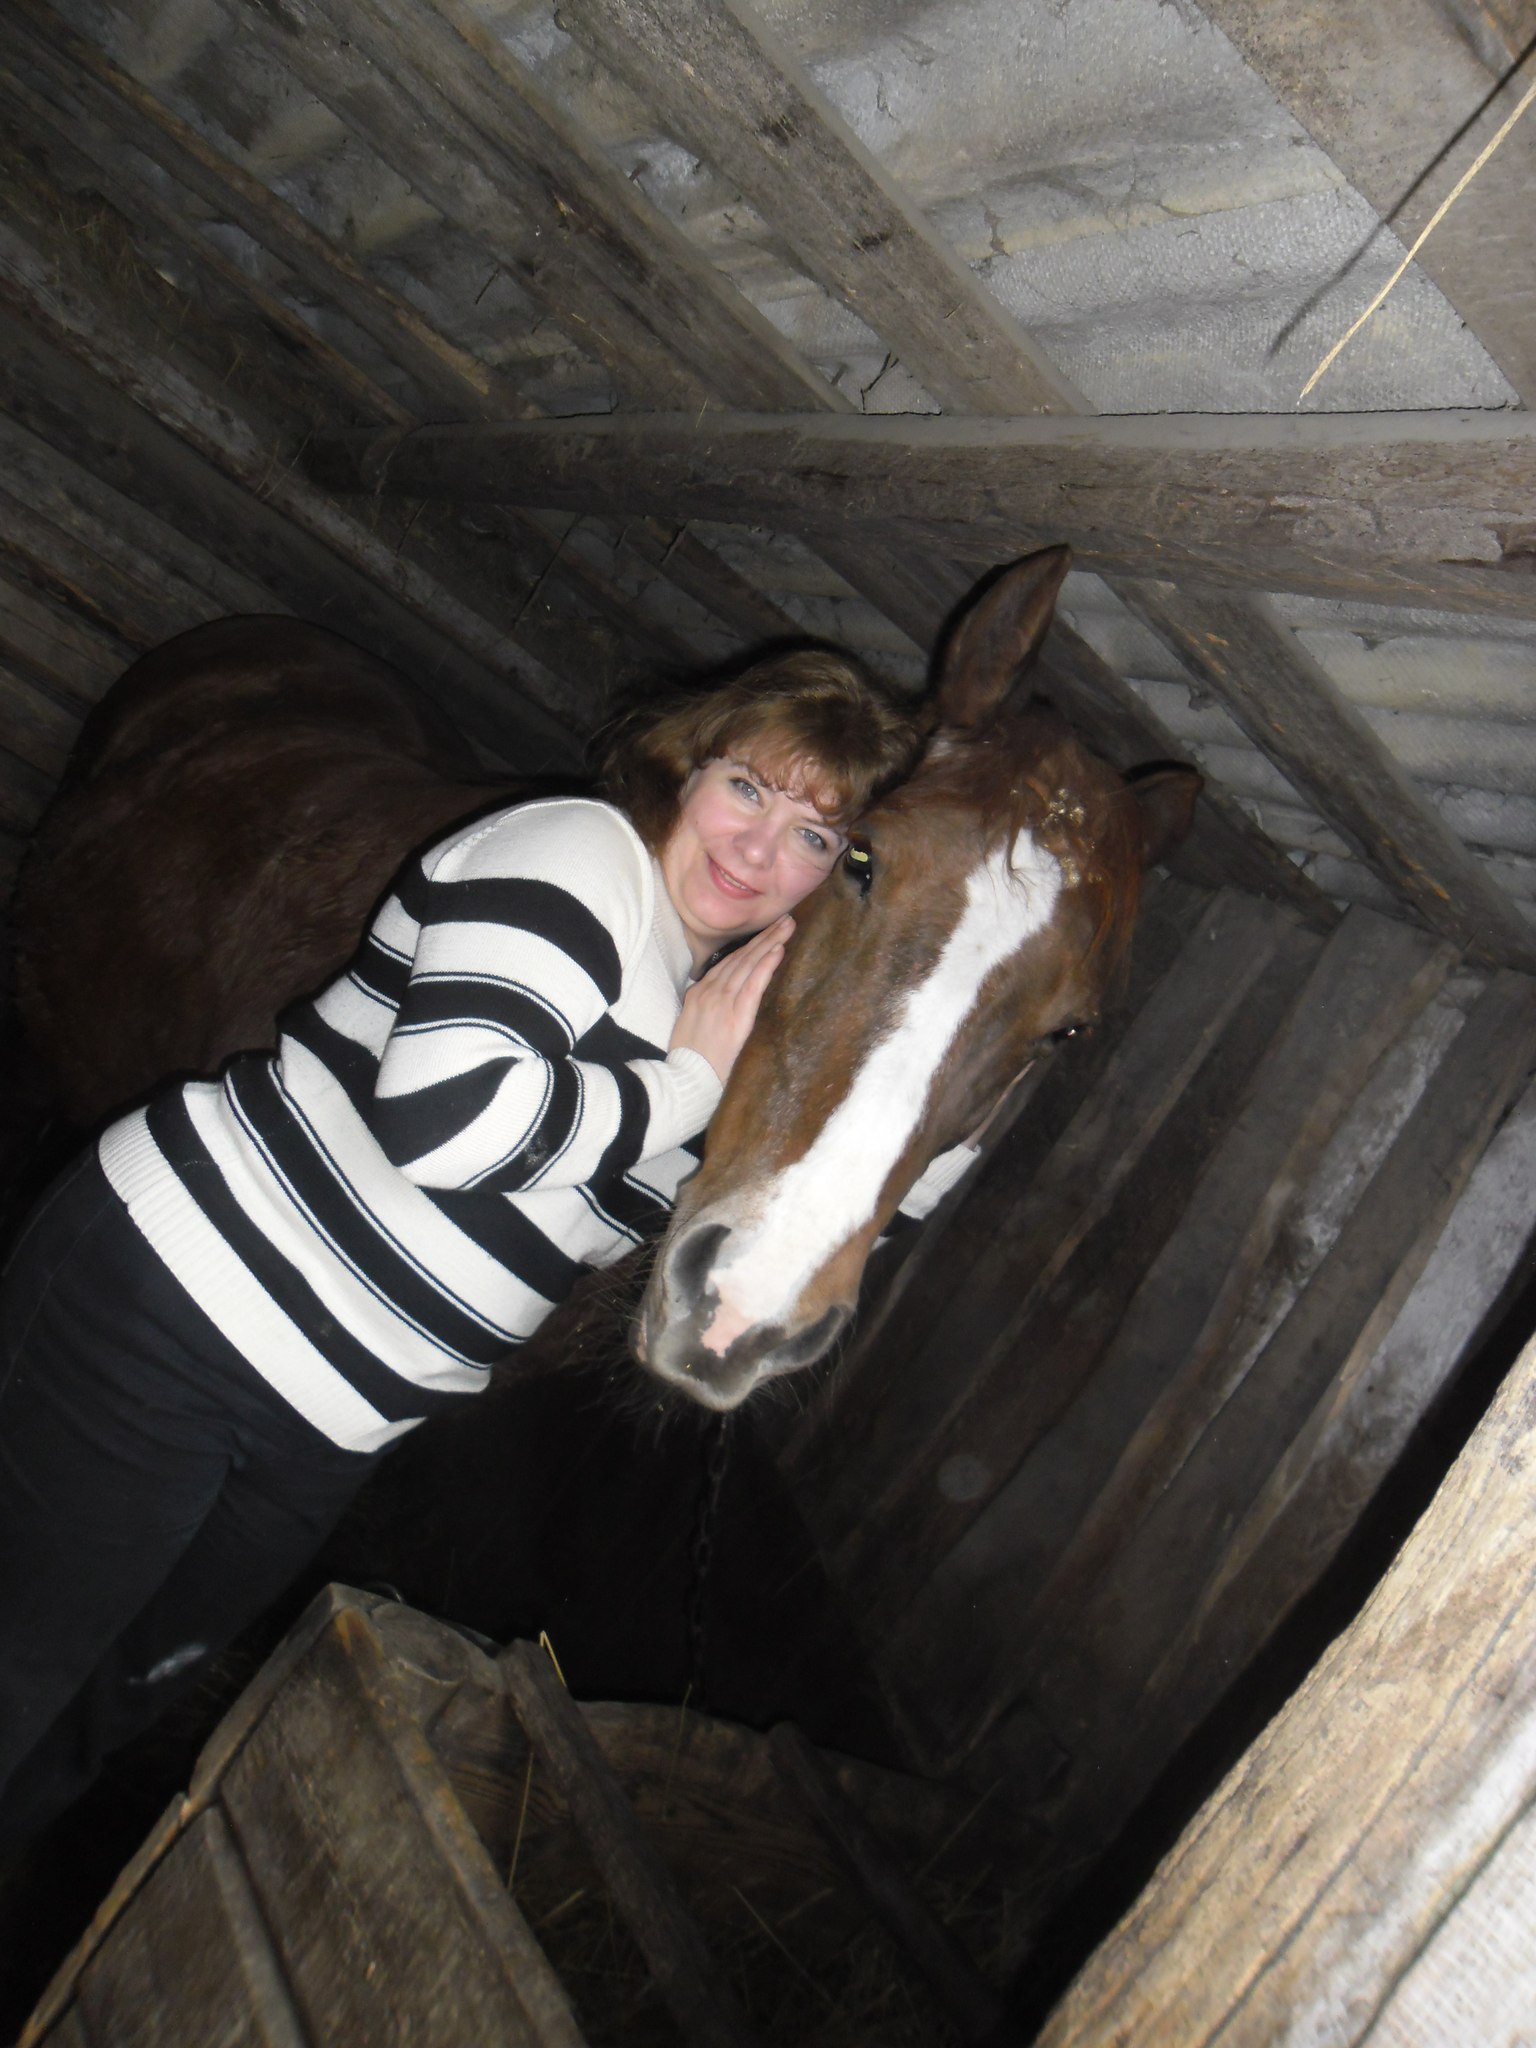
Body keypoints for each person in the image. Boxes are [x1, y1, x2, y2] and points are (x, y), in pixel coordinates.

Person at [0, 645, 936, 1854]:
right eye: (746, 788)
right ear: (685, 767)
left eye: (812, 834)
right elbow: (445, 1122)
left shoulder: (708, 1001)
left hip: (327, 1427)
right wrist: (685, 1084)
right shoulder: (582, 856)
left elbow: (787, 1209)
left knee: (106, 1709)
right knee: (23, 1666)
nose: (759, 850)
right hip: (179, 1312)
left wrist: (938, 1084)